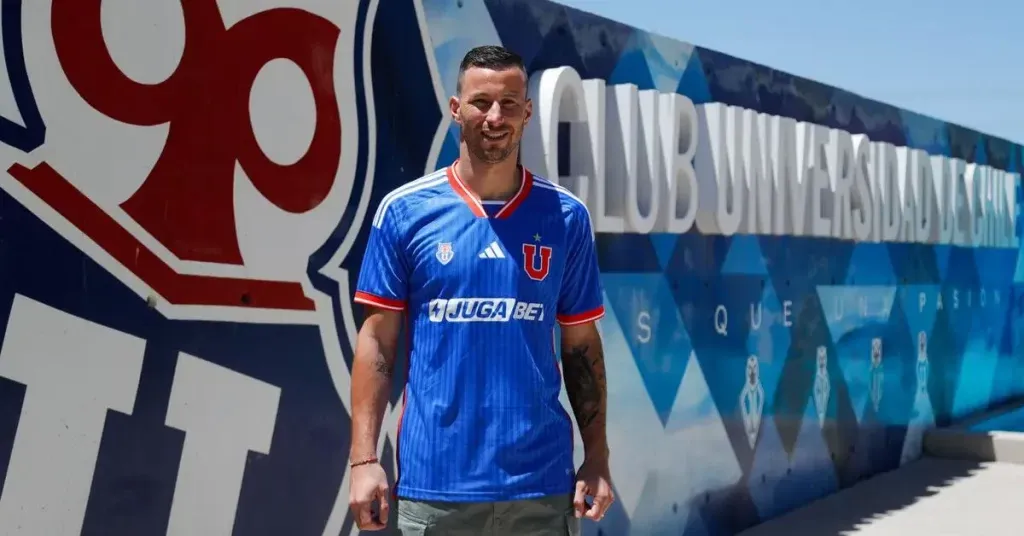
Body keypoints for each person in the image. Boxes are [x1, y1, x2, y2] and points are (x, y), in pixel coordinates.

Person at [347, 45, 614, 535]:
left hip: (542, 488)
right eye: (481, 102)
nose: (495, 116)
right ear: (456, 109)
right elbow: (377, 342)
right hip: (435, 490)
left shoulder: (566, 218)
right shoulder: (404, 212)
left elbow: (581, 347)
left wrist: (597, 458)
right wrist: (364, 460)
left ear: (527, 113)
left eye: (509, 103)